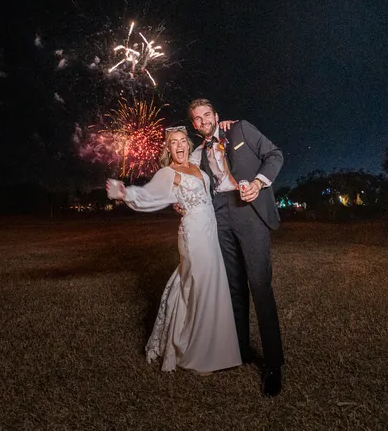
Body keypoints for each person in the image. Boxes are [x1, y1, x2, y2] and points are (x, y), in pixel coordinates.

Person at [106, 127, 241, 374]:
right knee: (198, 285)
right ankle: (196, 353)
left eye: (182, 141)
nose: (179, 145)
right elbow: (149, 194)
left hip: (210, 232)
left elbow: (209, 145)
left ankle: (216, 349)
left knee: (208, 283)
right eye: (173, 143)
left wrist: (222, 126)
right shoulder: (168, 172)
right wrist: (126, 193)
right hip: (193, 234)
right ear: (168, 149)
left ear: (188, 145)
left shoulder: (198, 167)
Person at [187, 98, 285, 398]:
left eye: (207, 115)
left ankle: (273, 365)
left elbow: (274, 155)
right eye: (197, 119)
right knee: (233, 288)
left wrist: (258, 183)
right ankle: (239, 351)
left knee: (260, 285)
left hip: (248, 211)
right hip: (219, 214)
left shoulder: (240, 129)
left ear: (217, 116)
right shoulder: (198, 153)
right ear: (194, 125)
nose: (203, 121)